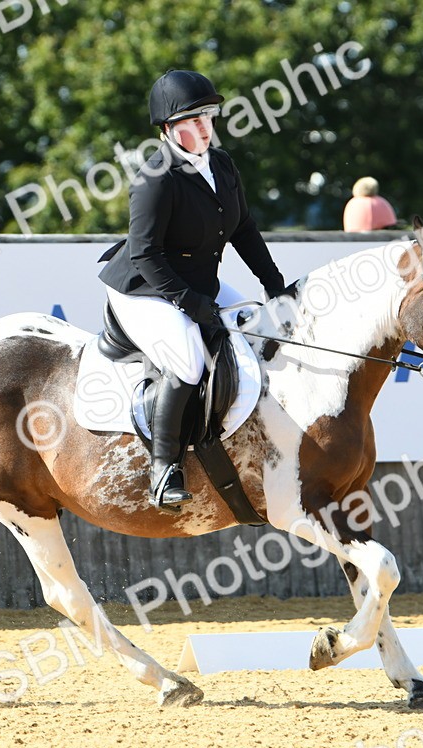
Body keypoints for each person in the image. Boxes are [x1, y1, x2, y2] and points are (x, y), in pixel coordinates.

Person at [98, 69, 287, 511]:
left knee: (259, 325)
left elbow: (243, 228)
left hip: (199, 281)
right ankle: (164, 470)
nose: (204, 128)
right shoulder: (155, 178)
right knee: (186, 360)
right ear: (168, 129)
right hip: (144, 288)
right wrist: (190, 304)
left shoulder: (221, 164)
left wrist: (274, 283)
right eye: (192, 120)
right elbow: (145, 254)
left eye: (209, 116)